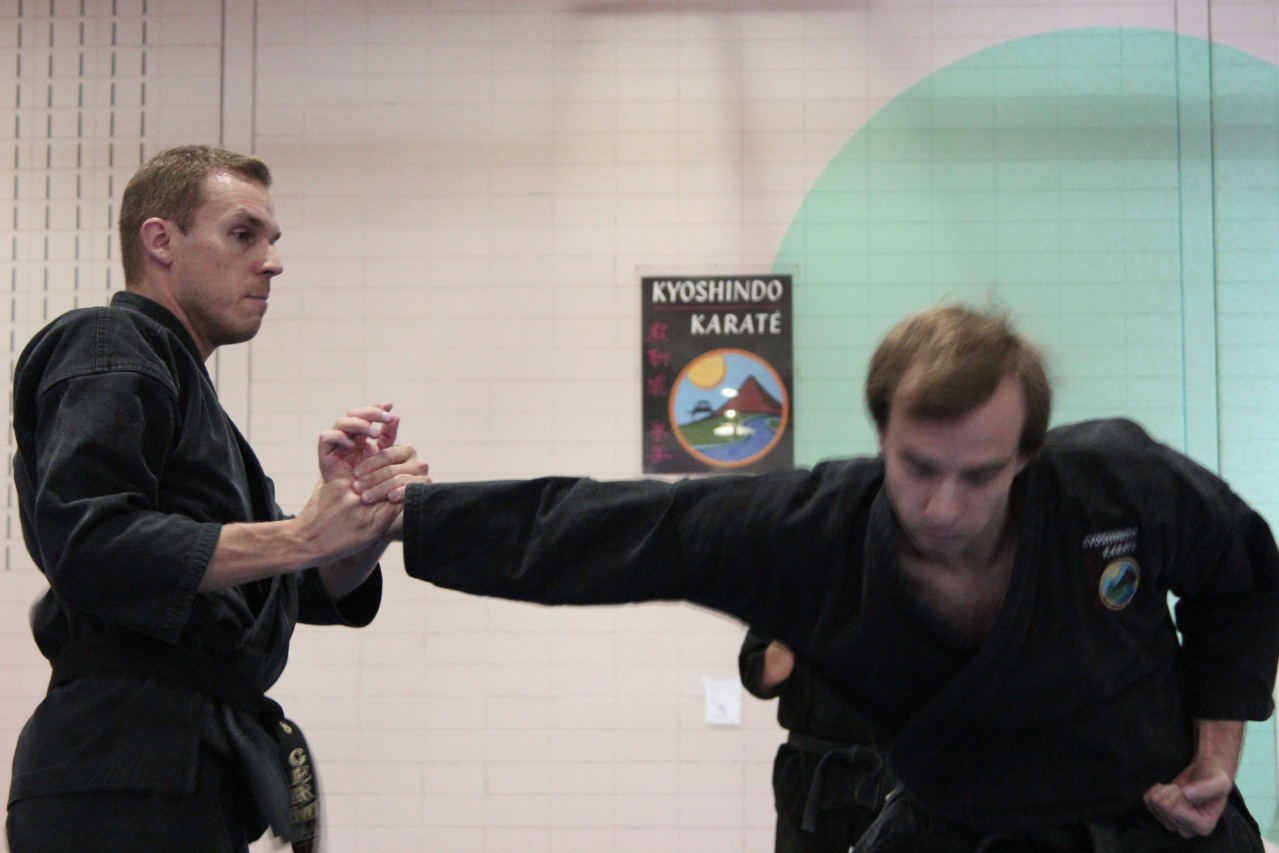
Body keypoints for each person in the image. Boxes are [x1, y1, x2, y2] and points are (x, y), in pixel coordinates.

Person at [360, 304, 1279, 851]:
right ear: (882, 434)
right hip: (956, 829)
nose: (945, 505)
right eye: (918, 467)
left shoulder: (1118, 483)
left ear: (1028, 452)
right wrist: (402, 513)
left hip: (1147, 824)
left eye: (980, 474)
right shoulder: (813, 531)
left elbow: (1238, 577)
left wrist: (1216, 753)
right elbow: (618, 526)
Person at [4, 145, 429, 853]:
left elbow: (286, 586)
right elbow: (90, 544)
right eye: (242, 234)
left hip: (184, 769)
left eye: (272, 240)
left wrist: (361, 518)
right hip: (121, 767)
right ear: (160, 240)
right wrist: (304, 535)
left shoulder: (199, 408)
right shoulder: (107, 340)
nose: (272, 262)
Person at [739, 630, 886, 852]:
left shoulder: (902, 608)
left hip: (885, 770)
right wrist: (795, 622)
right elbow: (759, 678)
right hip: (809, 769)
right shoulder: (793, 606)